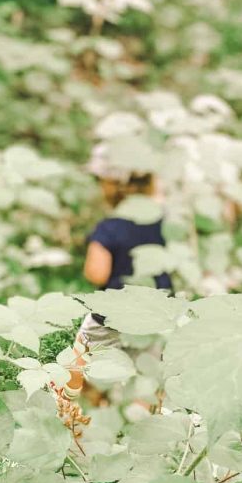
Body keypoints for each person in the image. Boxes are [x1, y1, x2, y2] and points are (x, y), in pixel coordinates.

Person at [63, 142, 172, 399]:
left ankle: (74, 404)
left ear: (115, 185)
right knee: (146, 375)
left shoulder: (110, 227)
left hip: (112, 315)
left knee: (82, 360)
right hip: (157, 315)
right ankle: (137, 417)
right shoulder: (165, 221)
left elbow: (97, 273)